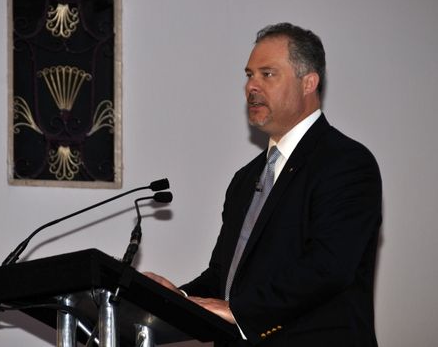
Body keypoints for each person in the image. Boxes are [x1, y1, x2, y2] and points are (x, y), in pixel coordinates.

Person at [146, 22, 382, 347]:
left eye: (267, 74)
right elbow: (223, 279)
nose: (251, 87)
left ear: (308, 82)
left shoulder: (345, 162)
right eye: (248, 75)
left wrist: (240, 311)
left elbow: (328, 268)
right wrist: (175, 299)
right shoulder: (245, 179)